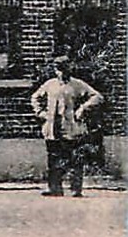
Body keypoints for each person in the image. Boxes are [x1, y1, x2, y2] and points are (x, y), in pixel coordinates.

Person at [30, 56, 104, 197]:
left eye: (64, 69)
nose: (61, 73)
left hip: (71, 126)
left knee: (75, 158)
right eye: (58, 69)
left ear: (69, 69)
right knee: (53, 157)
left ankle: (76, 189)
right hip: (53, 127)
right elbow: (35, 97)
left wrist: (83, 108)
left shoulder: (77, 84)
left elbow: (97, 96)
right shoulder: (49, 84)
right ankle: (54, 188)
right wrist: (41, 112)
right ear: (55, 70)